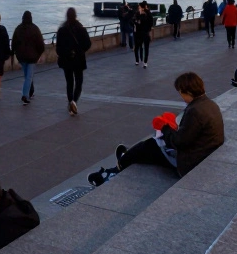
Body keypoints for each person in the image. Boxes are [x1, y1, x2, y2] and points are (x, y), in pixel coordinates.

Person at [88, 72, 224, 185]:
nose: (181, 96)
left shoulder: (195, 111)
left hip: (189, 162)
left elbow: (178, 142)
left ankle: (116, 169)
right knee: (151, 147)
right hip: (203, 153)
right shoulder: (210, 104)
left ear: (188, 92)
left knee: (150, 145)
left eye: (181, 93)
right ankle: (126, 158)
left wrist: (164, 128)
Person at [55, 7, 92, 115]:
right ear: (75, 15)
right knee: (79, 82)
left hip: (66, 60)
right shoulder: (81, 28)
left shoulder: (62, 29)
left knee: (69, 82)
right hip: (78, 59)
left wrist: (65, 53)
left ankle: (70, 101)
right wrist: (80, 51)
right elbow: (88, 44)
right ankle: (74, 102)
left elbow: (58, 48)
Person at [12, 11, 44, 104]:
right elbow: (40, 44)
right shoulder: (35, 29)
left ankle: (29, 92)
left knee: (27, 76)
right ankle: (25, 95)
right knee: (29, 77)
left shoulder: (18, 29)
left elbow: (14, 43)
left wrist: (14, 53)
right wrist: (38, 55)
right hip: (32, 57)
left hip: (21, 57)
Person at [134, 1, 154, 67]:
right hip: (138, 33)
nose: (138, 8)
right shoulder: (137, 14)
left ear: (142, 8)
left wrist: (139, 21)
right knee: (137, 47)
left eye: (139, 7)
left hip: (145, 33)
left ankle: (145, 62)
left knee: (146, 48)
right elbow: (133, 21)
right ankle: (137, 60)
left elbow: (150, 22)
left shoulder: (147, 14)